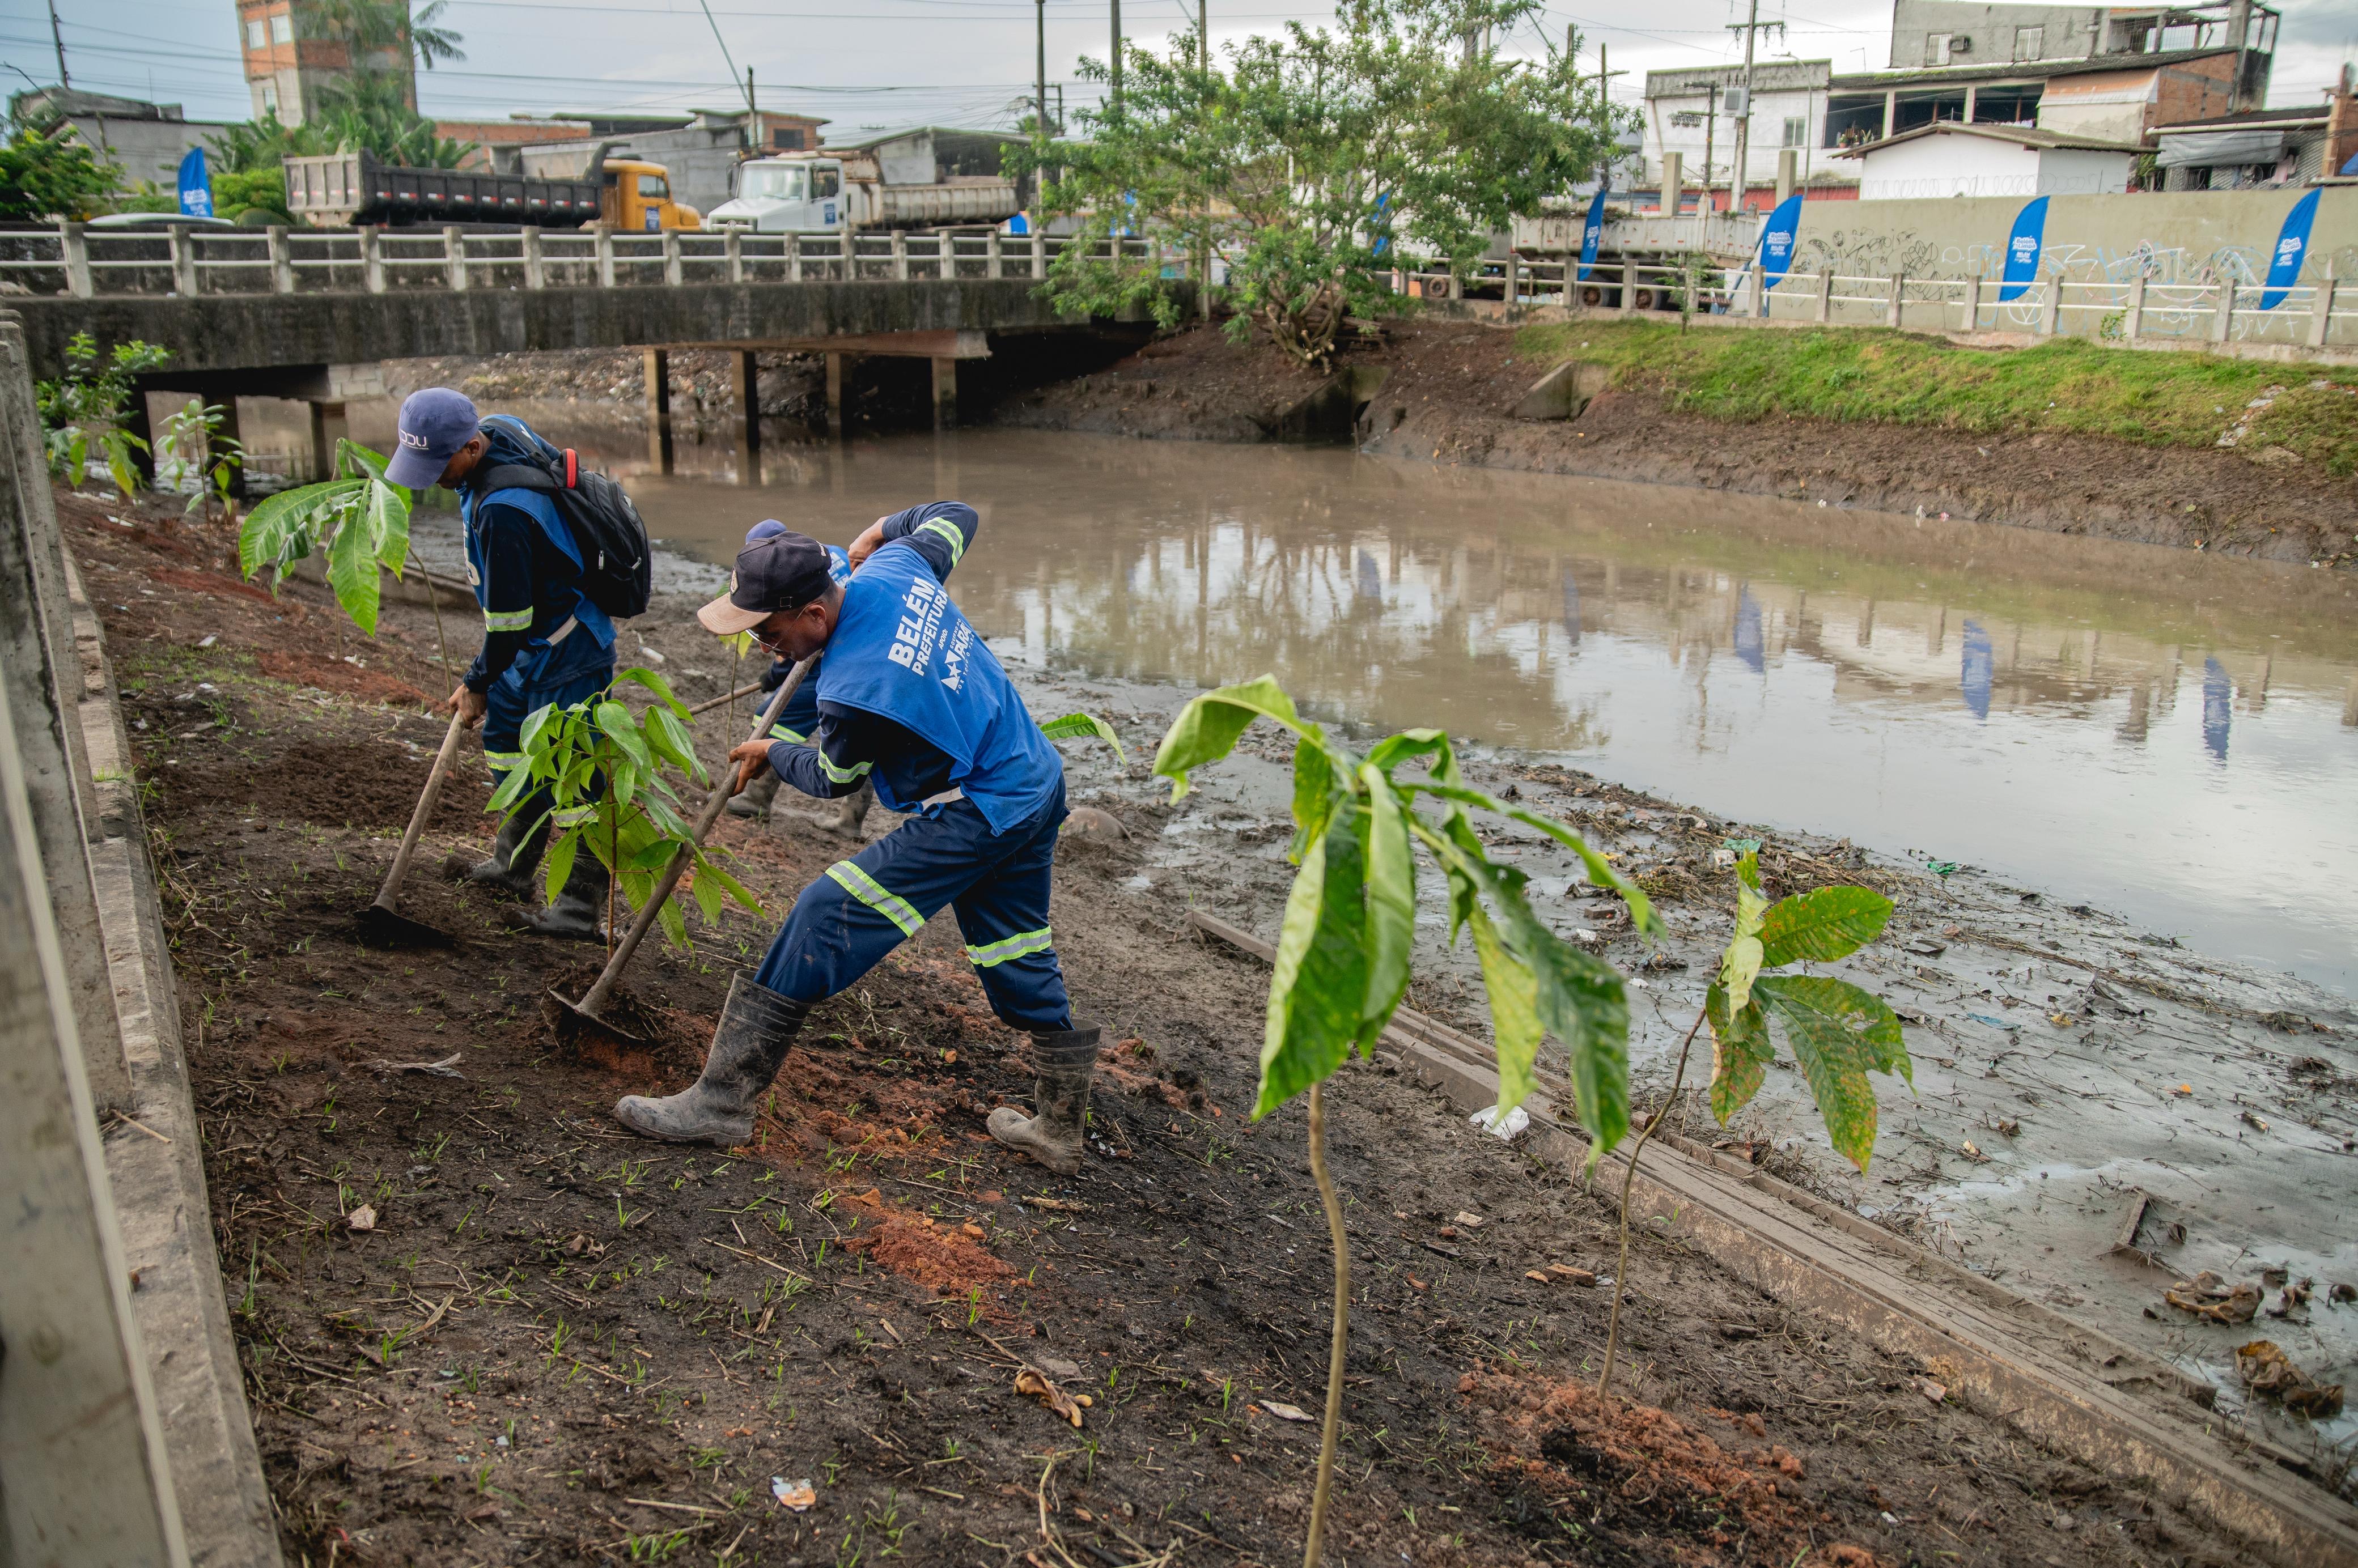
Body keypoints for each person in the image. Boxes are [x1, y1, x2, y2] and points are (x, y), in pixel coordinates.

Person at [614, 502, 1100, 1175]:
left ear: (814, 614)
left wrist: (772, 751)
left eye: (769, 632)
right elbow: (952, 515)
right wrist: (880, 531)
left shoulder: (856, 690)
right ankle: (1059, 1129)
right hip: (1032, 776)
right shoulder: (897, 567)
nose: (764, 648)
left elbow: (833, 776)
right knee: (1012, 946)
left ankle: (722, 1101)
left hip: (979, 807)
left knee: (823, 911)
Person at [384, 388, 616, 940]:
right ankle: (512, 868)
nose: (431, 477)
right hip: (526, 645)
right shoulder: (497, 432)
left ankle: (581, 909)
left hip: (567, 647)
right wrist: (491, 681)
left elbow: (509, 622)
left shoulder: (506, 514)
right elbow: (510, 627)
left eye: (438, 464)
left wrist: (474, 682)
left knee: (574, 775)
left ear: (470, 446)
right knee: (508, 743)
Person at [724, 522, 875, 838]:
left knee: (773, 719)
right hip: (853, 647)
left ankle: (755, 799)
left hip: (819, 660)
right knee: (864, 740)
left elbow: (790, 647)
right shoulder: (826, 555)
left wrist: (773, 676)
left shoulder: (782, 586)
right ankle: (851, 821)